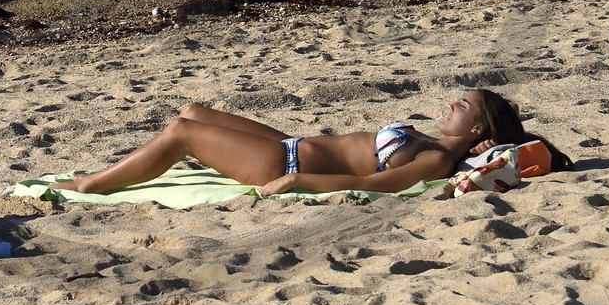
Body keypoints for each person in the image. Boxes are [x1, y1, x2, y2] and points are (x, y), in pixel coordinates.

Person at [50, 90, 569, 197]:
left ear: (478, 130)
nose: (453, 102)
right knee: (190, 111)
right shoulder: (430, 138)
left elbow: (376, 184)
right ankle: (114, 172)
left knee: (181, 134)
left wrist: (300, 180)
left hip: (284, 160)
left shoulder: (434, 159)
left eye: (464, 104)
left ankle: (95, 184)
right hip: (292, 142)